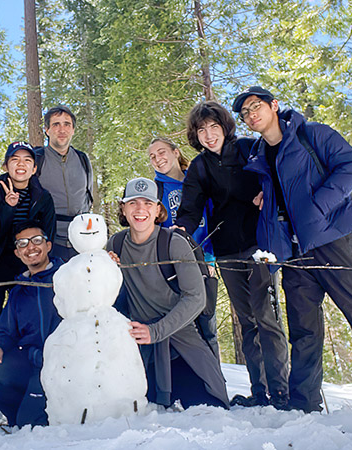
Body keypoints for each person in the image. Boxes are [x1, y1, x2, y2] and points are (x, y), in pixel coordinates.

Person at [234, 86, 352, 419]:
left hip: (332, 243)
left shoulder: (311, 134)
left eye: (255, 106)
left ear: (274, 105)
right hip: (294, 255)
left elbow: (350, 167)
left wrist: (317, 208)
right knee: (304, 332)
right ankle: (303, 404)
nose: (251, 115)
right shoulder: (260, 158)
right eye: (245, 113)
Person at [175, 101, 291, 409]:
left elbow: (276, 176)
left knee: (266, 317)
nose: (209, 135)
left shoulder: (248, 149)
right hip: (227, 252)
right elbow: (189, 208)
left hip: (259, 246)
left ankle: (280, 391)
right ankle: (259, 391)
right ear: (195, 135)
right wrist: (178, 234)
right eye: (202, 130)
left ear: (225, 128)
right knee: (246, 320)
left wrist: (269, 194)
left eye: (214, 128)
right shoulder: (200, 167)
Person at [107, 177, 230, 410]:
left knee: (205, 409)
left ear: (158, 210)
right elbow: (107, 295)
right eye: (133, 203)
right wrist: (106, 267)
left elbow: (196, 298)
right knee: (144, 409)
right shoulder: (116, 245)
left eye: (148, 203)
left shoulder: (173, 242)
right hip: (142, 346)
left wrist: (156, 331)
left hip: (180, 338)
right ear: (123, 208)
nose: (140, 209)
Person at [0, 142, 56, 417]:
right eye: (14, 159)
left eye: (27, 160)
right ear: (6, 166)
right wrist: (6, 207)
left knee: (28, 332)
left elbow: (44, 236)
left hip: (24, 275)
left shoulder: (43, 198)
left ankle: (33, 388)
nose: (20, 164)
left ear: (34, 167)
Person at [0, 223, 62, 428]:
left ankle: (34, 417)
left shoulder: (66, 278)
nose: (30, 247)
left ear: (48, 245)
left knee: (33, 426)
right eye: (23, 243)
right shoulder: (18, 291)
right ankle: (19, 417)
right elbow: (6, 331)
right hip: (32, 362)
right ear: (18, 252)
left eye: (37, 240)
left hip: (62, 363)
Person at [148, 137, 220, 357]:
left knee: (207, 325)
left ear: (176, 152)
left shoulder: (198, 179)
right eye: (152, 157)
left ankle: (215, 383)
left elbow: (214, 216)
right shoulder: (155, 190)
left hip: (204, 259)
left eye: (162, 152)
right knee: (182, 326)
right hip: (175, 266)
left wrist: (210, 258)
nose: (158, 159)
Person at [33, 105, 93, 262]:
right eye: (56, 124)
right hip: (48, 242)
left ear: (73, 130)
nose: (62, 129)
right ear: (47, 130)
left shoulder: (82, 159)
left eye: (67, 124)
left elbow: (88, 197)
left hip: (81, 241)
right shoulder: (37, 159)